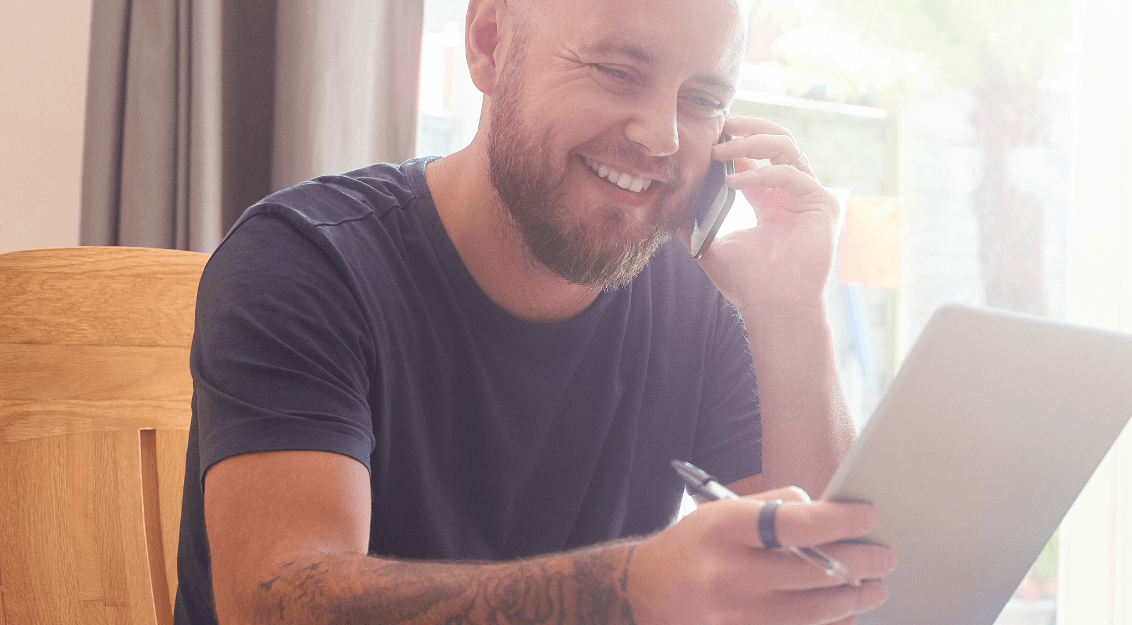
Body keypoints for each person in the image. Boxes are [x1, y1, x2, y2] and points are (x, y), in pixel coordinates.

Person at [171, 0, 895, 622]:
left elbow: (838, 596)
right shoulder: (307, 262)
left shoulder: (697, 299)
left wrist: (791, 311)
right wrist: (626, 592)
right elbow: (273, 604)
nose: (662, 138)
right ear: (489, 43)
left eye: (702, 99)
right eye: (617, 71)